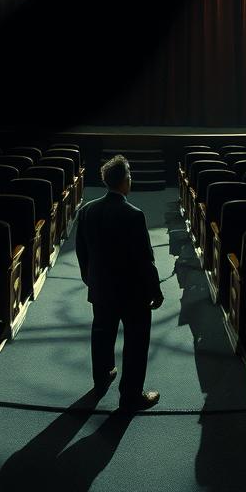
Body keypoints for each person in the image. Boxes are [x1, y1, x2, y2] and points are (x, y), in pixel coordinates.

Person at [75, 153, 164, 409]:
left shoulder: (87, 211)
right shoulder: (134, 215)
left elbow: (82, 252)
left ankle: (101, 378)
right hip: (132, 293)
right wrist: (155, 291)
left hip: (101, 288)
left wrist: (90, 279)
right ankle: (131, 395)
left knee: (102, 333)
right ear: (125, 181)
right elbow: (144, 259)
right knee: (136, 342)